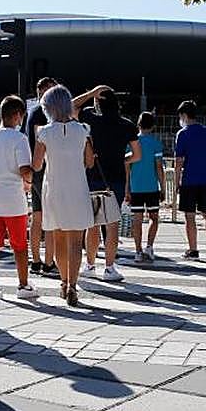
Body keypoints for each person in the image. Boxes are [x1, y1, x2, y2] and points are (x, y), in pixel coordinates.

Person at [32, 85, 94, 307]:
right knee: (76, 241)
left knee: (57, 237)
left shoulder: (45, 133)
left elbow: (37, 165)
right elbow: (90, 161)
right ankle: (73, 285)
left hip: (54, 187)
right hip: (77, 187)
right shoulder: (83, 130)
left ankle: (64, 281)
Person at [0, 94, 38, 299]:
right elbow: (25, 169)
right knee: (19, 244)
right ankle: (23, 285)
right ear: (18, 115)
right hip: (13, 198)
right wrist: (29, 183)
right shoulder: (19, 138)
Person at [76, 85, 137, 282]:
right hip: (116, 179)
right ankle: (110, 268)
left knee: (92, 224)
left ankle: (90, 264)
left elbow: (69, 107)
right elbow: (137, 155)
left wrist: (90, 93)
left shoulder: (91, 119)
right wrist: (123, 159)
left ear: (98, 102)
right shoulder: (127, 125)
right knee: (112, 225)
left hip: (93, 176)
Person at [174, 100, 206, 261]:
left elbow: (179, 161)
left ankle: (193, 249)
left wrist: (176, 181)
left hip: (189, 181)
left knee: (190, 216)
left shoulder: (182, 134)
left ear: (184, 115)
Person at [25, 75, 58, 278]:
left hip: (35, 171)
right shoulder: (42, 114)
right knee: (49, 219)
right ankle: (47, 262)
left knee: (37, 217)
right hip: (45, 170)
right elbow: (41, 142)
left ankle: (36, 260)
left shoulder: (33, 112)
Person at [126, 111, 164, 262]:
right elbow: (159, 167)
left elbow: (127, 167)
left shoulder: (132, 143)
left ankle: (137, 250)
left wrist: (127, 188)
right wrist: (162, 187)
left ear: (138, 124)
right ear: (153, 126)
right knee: (154, 218)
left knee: (137, 219)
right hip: (152, 187)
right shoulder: (156, 143)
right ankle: (149, 246)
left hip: (136, 187)